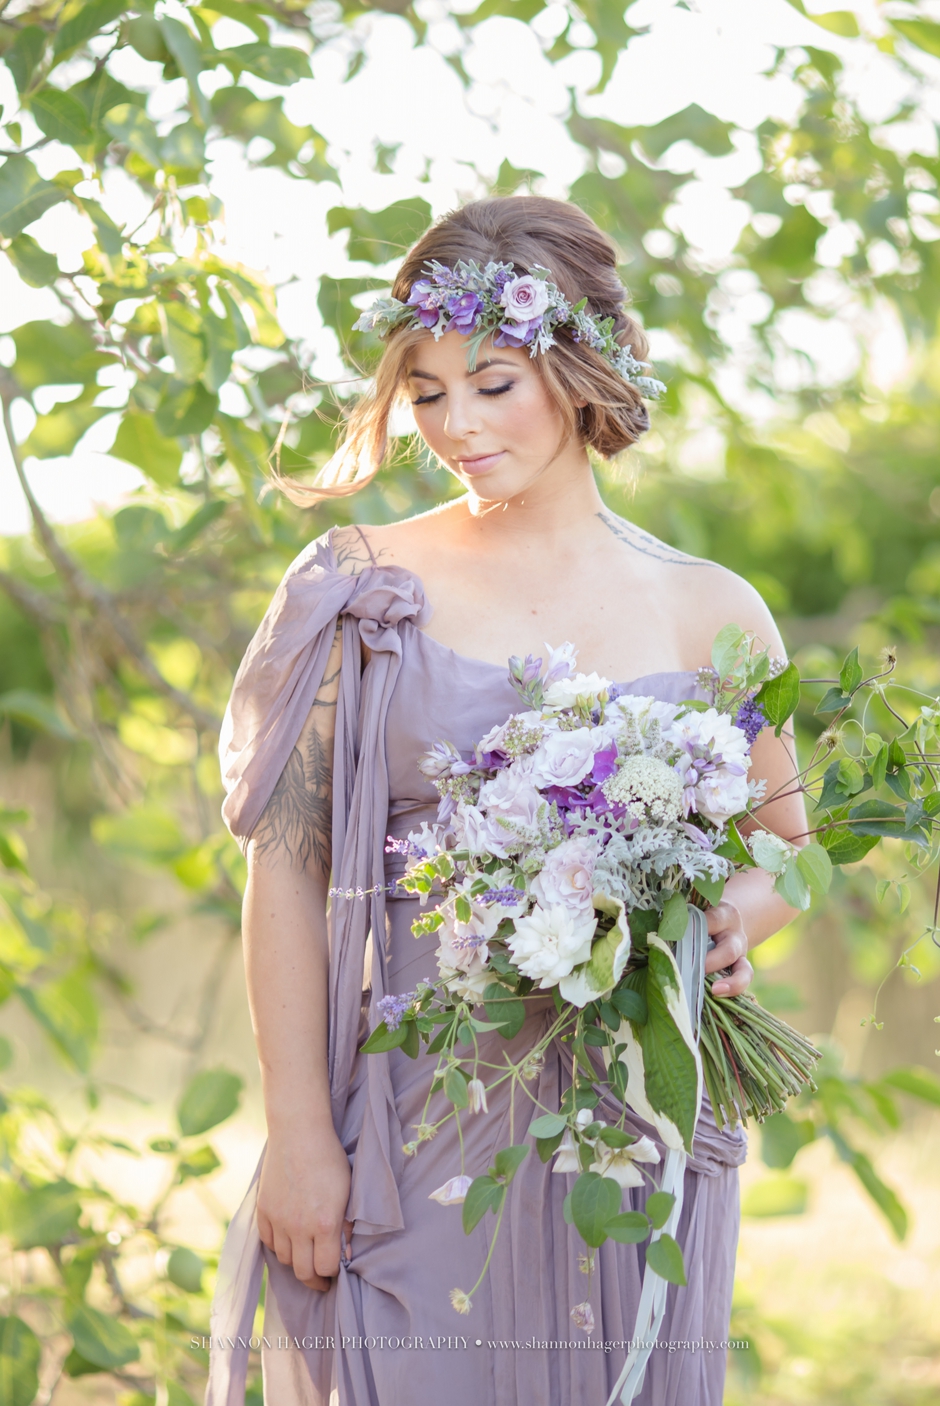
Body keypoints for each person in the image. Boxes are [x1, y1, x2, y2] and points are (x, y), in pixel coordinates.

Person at [208, 196, 807, 1406]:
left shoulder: (713, 607)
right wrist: (301, 1136)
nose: (455, 425)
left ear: (580, 372)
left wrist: (724, 921)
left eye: (491, 383)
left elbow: (785, 849)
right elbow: (287, 867)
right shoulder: (356, 586)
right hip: (417, 1114)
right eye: (425, 392)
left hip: (638, 1124)